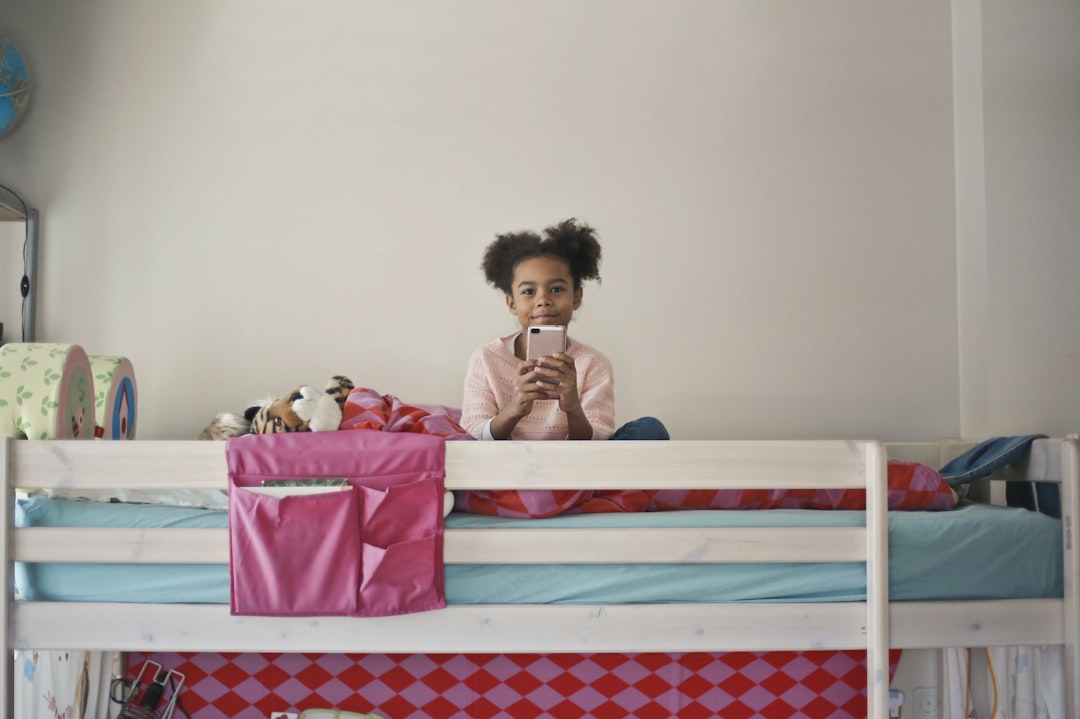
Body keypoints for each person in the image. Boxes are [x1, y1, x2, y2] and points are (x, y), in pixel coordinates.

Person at [461, 218, 669, 443]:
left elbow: (598, 440)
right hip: (511, 469)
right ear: (512, 303)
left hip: (575, 470)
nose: (543, 300)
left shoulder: (593, 363)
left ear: (576, 297)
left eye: (557, 289)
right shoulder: (486, 358)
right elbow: (471, 436)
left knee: (650, 429)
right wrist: (515, 408)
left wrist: (573, 407)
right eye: (529, 291)